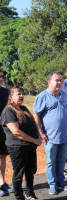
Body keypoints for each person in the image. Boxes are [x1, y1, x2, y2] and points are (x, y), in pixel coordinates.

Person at [33, 72, 67, 195]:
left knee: (61, 160)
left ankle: (61, 182)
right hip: (49, 137)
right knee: (51, 162)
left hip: (64, 135)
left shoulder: (65, 95)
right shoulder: (42, 96)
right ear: (49, 82)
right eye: (57, 80)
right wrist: (41, 133)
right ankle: (52, 184)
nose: (59, 83)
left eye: (61, 80)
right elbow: (36, 116)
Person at [0, 86, 42, 200]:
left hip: (30, 146)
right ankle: (19, 197)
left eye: (22, 93)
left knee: (30, 171)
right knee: (19, 174)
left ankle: (30, 193)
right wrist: (35, 140)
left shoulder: (23, 108)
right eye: (18, 94)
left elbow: (32, 124)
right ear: (10, 96)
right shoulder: (8, 111)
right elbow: (17, 132)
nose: (21, 96)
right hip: (17, 147)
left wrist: (38, 136)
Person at [0, 69, 13, 197]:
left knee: (2, 156)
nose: (1, 78)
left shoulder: (4, 92)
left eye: (2, 76)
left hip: (2, 128)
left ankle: (2, 182)